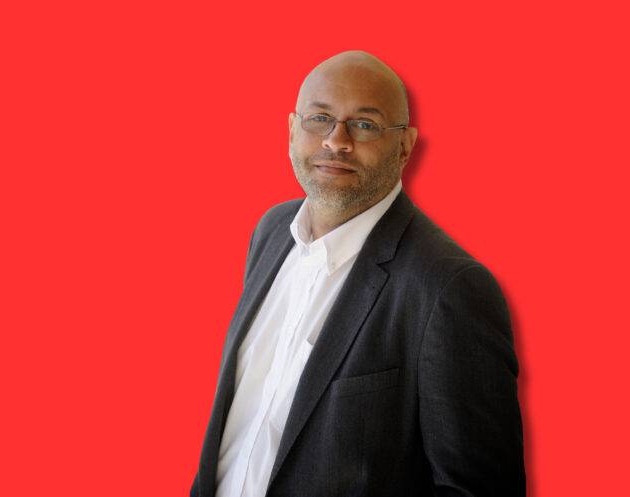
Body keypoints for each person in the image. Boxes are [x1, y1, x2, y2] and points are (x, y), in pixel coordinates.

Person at [190, 50, 525, 497]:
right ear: (291, 129)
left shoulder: (448, 288)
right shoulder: (271, 233)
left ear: (404, 146)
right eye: (320, 118)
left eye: (365, 124)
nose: (336, 141)